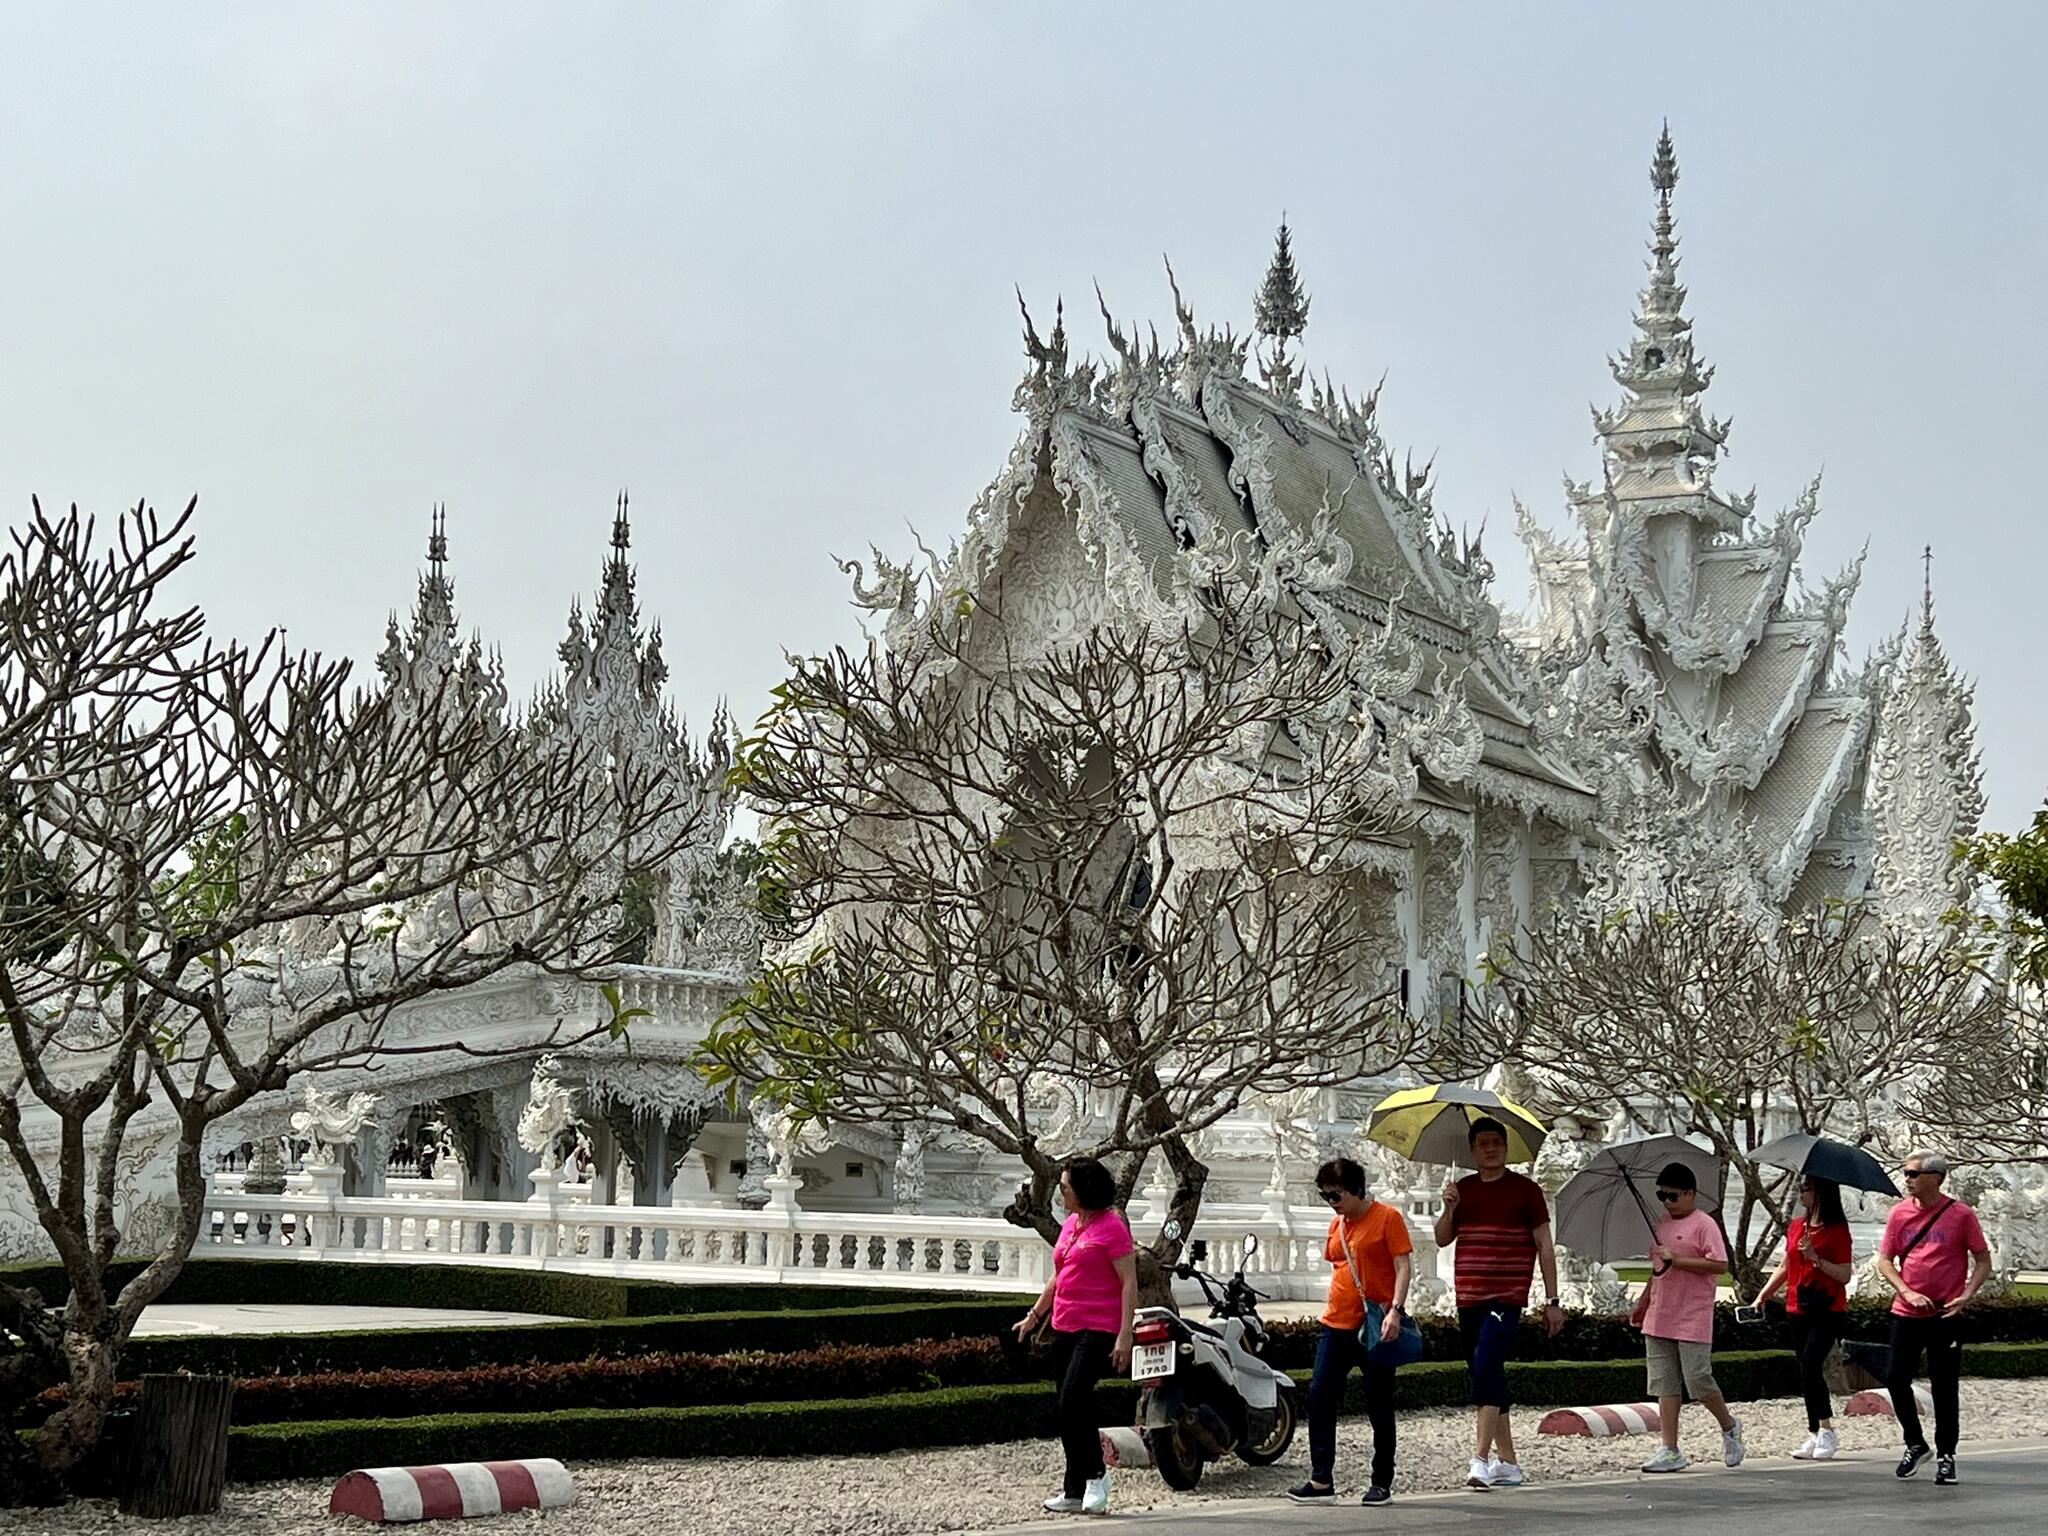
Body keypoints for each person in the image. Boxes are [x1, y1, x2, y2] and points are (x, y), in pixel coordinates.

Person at [1435, 1116, 1564, 1490]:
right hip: (1468, 1296)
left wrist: (1553, 1300)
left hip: (1505, 1296)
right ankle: (1508, 1462)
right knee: (1485, 1374)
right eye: (1483, 1143)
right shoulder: (1461, 1189)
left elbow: (1545, 1246)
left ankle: (1479, 1458)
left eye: (1496, 1142)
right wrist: (1448, 1208)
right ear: (1473, 1150)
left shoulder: (1526, 1190)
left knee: (1487, 1363)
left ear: (1505, 1148)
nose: (1490, 1149)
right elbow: (1442, 1238)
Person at [1013, 1157, 1137, 1516]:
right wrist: (1035, 1316)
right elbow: (1059, 1275)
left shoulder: (1112, 1227)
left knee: (1073, 1399)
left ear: (1083, 1191)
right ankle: (1074, 1489)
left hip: (1099, 1327)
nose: (1061, 1193)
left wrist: (1125, 1334)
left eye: (1065, 1187)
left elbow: (1129, 1282)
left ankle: (1096, 1475)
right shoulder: (1071, 1224)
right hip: (1065, 1324)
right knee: (1068, 1408)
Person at [1287, 1156, 1413, 1508]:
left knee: (1378, 1402)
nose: (1331, 1202)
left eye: (1336, 1195)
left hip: (1374, 1325)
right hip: (1336, 1322)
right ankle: (1321, 1478)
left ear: (1357, 1190)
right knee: (1319, 1395)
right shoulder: (1337, 1224)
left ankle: (1381, 1481)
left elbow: (1403, 1266)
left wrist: (1395, 1310)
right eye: (1325, 1195)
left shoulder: (1388, 1218)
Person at [1872, 1149, 1991, 1486]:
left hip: (1945, 1313)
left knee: (1944, 1386)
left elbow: (1982, 1259)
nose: (1907, 1179)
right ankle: (1915, 1443)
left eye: (1914, 1174)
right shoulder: (1899, 1213)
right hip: (1906, 1311)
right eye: (1906, 1173)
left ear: (1935, 1178)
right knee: (1895, 1378)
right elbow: (1885, 1261)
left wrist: (1967, 1294)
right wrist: (1906, 1291)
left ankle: (1946, 1454)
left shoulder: (1960, 1215)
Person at [1630, 1161, 1744, 1473]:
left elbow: (1720, 1265)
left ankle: (1729, 1425)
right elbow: (1657, 1270)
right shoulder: (1660, 1226)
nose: (1667, 1201)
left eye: (1673, 1195)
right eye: (1662, 1195)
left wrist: (1678, 1259)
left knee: (1697, 1378)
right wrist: (1644, 1301)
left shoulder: (1704, 1224)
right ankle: (1669, 1448)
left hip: (1692, 1313)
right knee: (1664, 1383)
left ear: (1690, 1193)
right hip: (1660, 1313)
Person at [1748, 1173, 1854, 1458]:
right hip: (1798, 1305)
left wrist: (1816, 1258)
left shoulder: (1837, 1229)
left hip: (1827, 1307)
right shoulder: (1797, 1226)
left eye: (1806, 1189)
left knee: (1811, 1365)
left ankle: (1827, 1428)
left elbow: (1844, 1274)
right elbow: (1785, 1265)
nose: (1802, 1193)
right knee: (1806, 1372)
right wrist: (1764, 1294)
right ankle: (1814, 1431)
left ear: (1820, 1193)